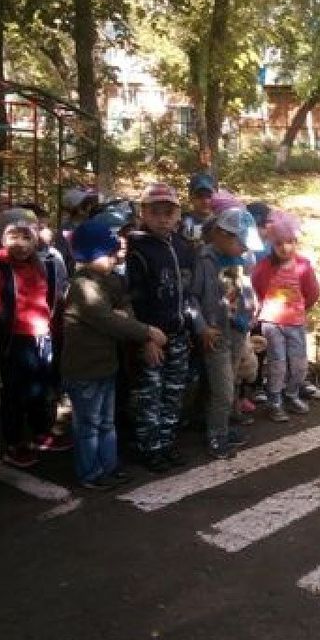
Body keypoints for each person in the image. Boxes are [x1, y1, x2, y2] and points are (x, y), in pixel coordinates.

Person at [61, 220, 167, 490]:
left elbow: (124, 306)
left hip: (106, 366)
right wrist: (148, 332)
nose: (115, 257)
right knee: (89, 424)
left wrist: (138, 330)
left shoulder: (110, 280)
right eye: (108, 253)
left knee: (106, 422)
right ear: (87, 255)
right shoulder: (82, 286)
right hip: (84, 369)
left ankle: (109, 466)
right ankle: (91, 472)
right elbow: (108, 319)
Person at [0, 208, 71, 467]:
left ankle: (42, 431)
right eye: (13, 236)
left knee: (41, 388)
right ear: (2, 238)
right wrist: (6, 334)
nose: (20, 244)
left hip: (41, 337)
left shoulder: (39, 265)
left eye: (26, 237)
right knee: (15, 392)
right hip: (16, 342)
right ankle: (13, 443)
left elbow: (46, 298)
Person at [125, 182, 197, 473]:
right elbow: (130, 299)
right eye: (156, 212)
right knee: (150, 395)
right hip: (152, 336)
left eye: (169, 212)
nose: (163, 218)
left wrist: (190, 328)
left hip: (179, 334)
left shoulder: (182, 246)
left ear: (178, 214)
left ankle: (166, 443)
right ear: (144, 213)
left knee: (173, 391)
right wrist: (145, 338)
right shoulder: (137, 250)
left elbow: (188, 292)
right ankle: (149, 448)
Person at [189, 206, 261, 458]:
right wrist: (202, 327)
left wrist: (252, 307)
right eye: (240, 242)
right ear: (221, 234)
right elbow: (191, 298)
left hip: (237, 331)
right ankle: (216, 435)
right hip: (216, 334)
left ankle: (219, 425)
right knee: (223, 388)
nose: (245, 247)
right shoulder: (205, 260)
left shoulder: (240, 259)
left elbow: (244, 290)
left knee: (227, 382)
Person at [251, 210, 320, 422]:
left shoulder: (303, 266)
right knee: (277, 363)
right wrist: (267, 309)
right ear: (272, 243)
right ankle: (275, 401)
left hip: (295, 322)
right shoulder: (263, 267)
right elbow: (258, 287)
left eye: (290, 242)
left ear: (295, 241)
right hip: (272, 323)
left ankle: (291, 394)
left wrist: (300, 308)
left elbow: (312, 292)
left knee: (299, 363)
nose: (285, 247)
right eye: (279, 243)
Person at [179, 172, 217, 241]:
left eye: (209, 196)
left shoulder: (223, 224)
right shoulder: (180, 223)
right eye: (199, 196)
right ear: (191, 198)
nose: (205, 201)